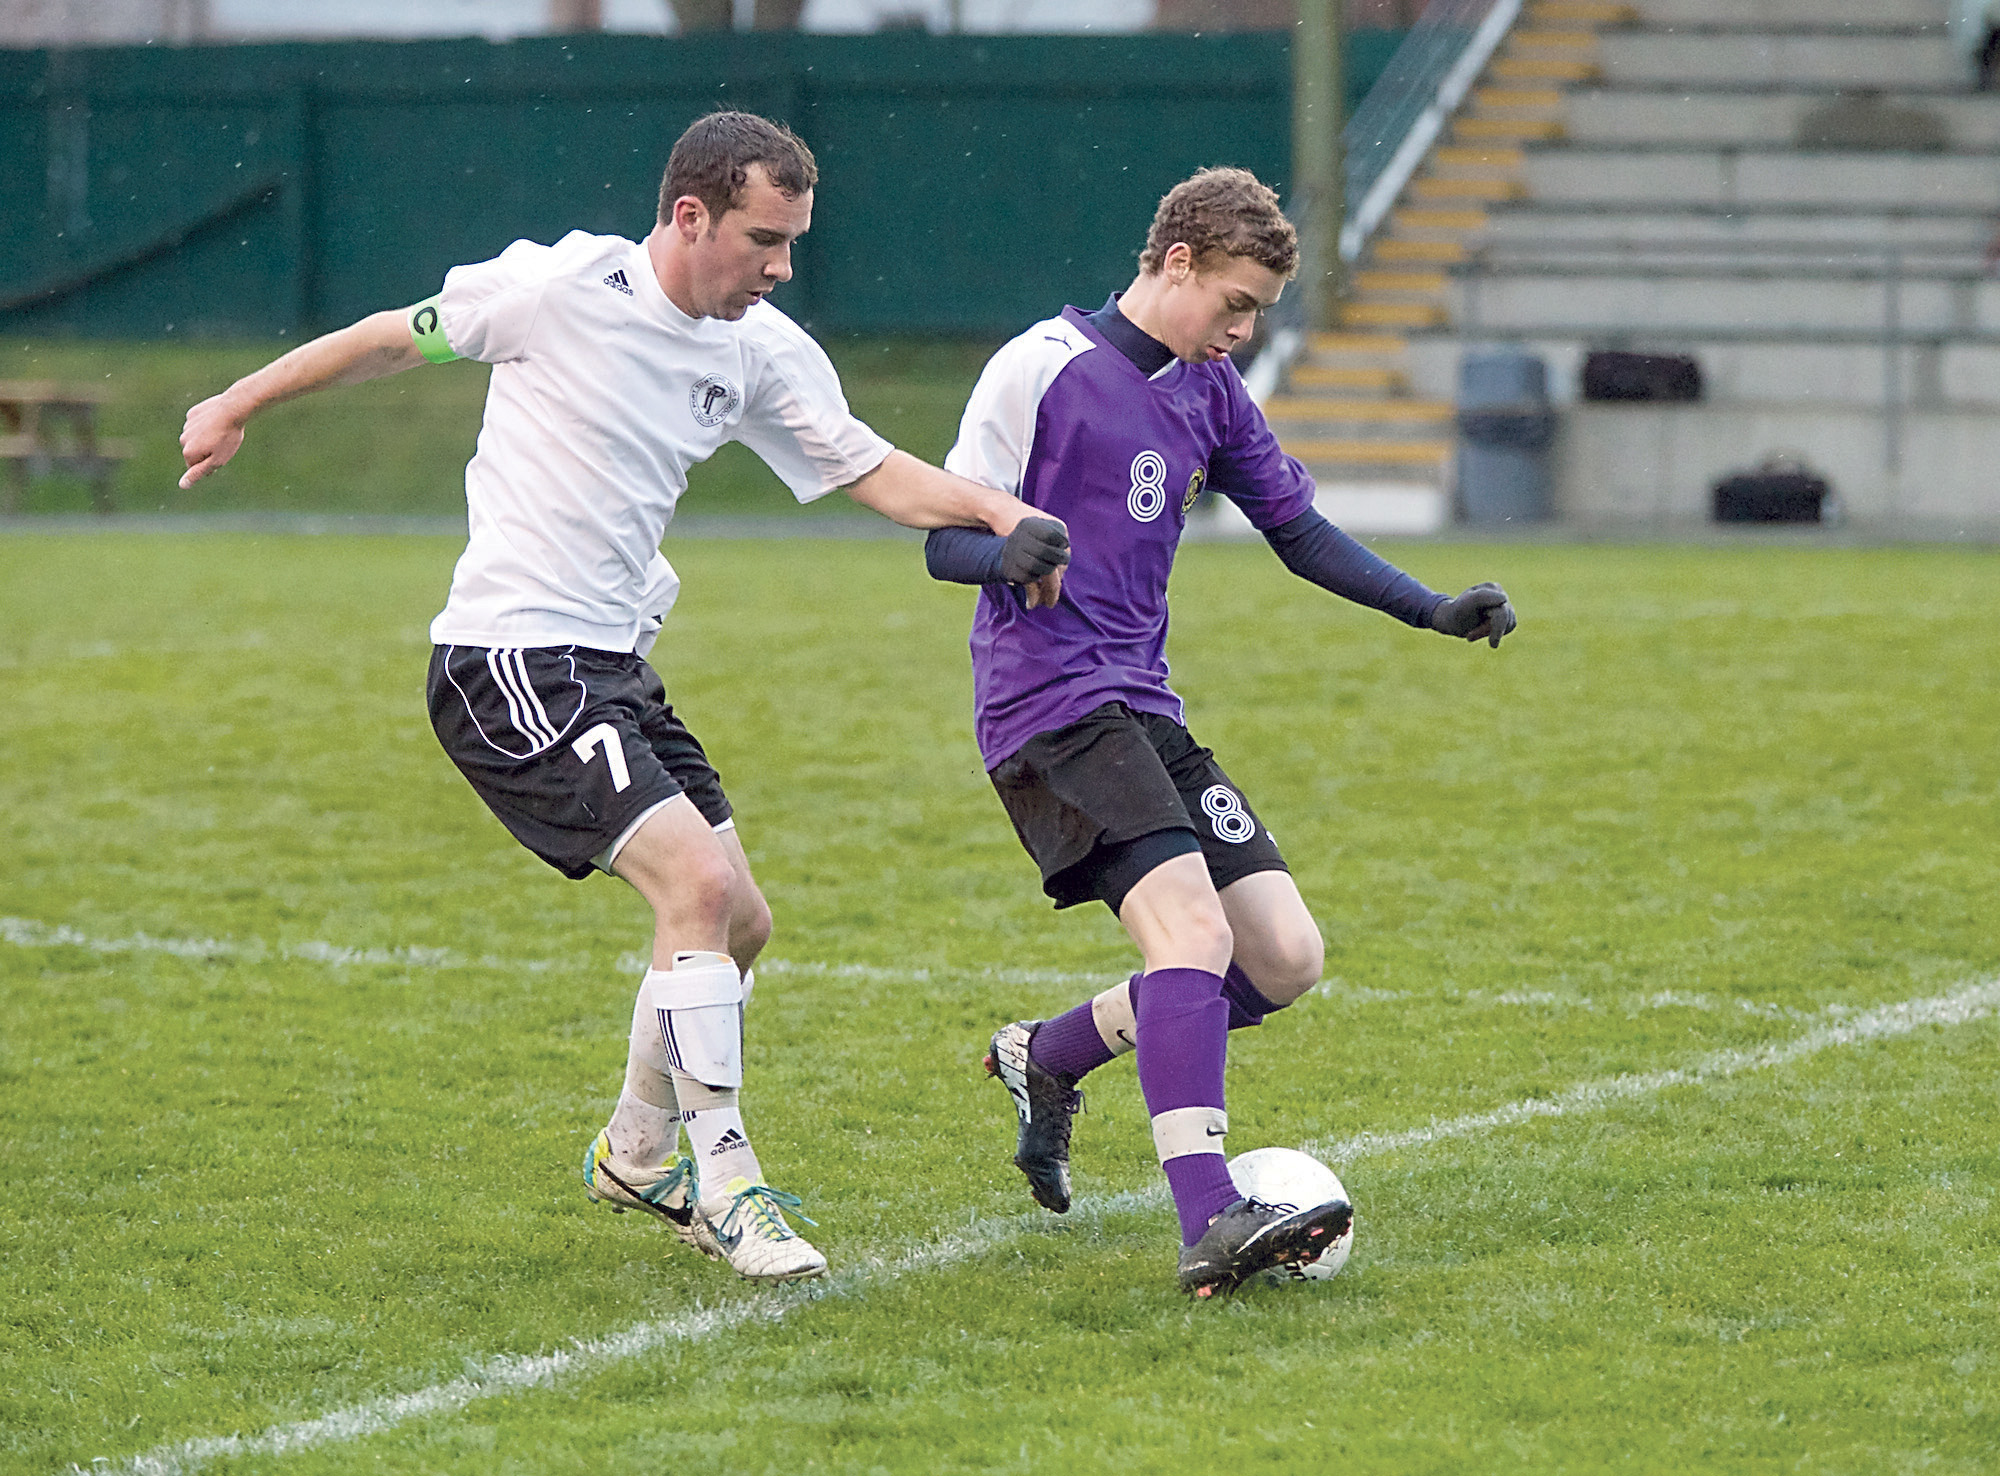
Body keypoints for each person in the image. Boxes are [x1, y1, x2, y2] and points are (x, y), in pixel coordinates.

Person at [178, 110, 1070, 1285]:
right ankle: (731, 1186)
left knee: (740, 923)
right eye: (763, 239)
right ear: (688, 215)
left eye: (793, 242)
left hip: (611, 668)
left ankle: (639, 1150)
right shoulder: (557, 289)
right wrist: (238, 400)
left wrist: (999, 515)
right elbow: (394, 340)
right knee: (693, 886)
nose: (781, 266)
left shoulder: (755, 347)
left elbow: (864, 466)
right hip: (508, 660)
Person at [924, 166, 1515, 1296]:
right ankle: (1206, 1217)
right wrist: (1001, 549)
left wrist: (1430, 609)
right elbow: (942, 535)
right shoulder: (1038, 369)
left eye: (1256, 316)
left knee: (1284, 957)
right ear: (1176, 261)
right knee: (1189, 935)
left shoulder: (1208, 390)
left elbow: (1298, 530)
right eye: (1233, 304)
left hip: (1143, 706)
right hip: (1044, 706)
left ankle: (1046, 1053)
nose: (1240, 333)